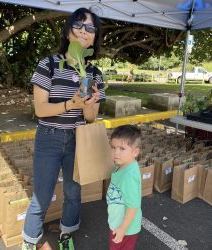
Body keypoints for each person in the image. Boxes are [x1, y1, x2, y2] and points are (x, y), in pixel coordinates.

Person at [22, 7, 105, 250]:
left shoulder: (94, 74)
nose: (84, 31)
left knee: (72, 192)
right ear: (69, 31)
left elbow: (90, 118)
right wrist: (71, 103)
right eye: (79, 25)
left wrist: (90, 103)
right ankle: (30, 240)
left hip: (78, 139)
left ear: (94, 38)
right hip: (49, 137)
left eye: (91, 28)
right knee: (41, 196)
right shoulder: (48, 64)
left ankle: (67, 232)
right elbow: (40, 109)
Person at [106, 125, 142, 250]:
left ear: (135, 152)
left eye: (122, 148)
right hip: (119, 224)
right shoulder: (122, 166)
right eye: (113, 147)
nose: (116, 152)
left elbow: (133, 206)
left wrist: (122, 229)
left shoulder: (129, 177)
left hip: (125, 228)